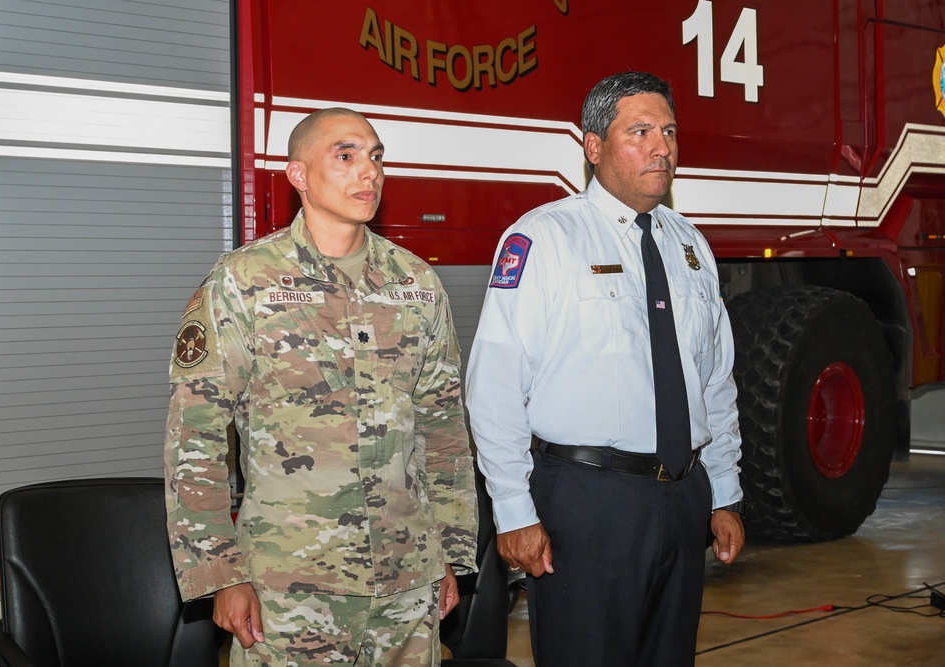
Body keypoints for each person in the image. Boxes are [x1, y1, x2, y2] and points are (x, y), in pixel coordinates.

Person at [164, 107, 477, 667]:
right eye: (346, 155)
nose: (370, 172)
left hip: (408, 585)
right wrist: (220, 574)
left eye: (377, 156)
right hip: (289, 591)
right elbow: (197, 438)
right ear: (298, 175)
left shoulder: (416, 283)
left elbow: (444, 428)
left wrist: (449, 551)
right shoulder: (244, 281)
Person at [465, 71, 745, 666]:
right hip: (588, 503)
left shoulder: (689, 244)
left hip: (682, 497)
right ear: (594, 147)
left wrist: (724, 493)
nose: (662, 147)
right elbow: (493, 386)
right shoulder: (545, 238)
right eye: (639, 131)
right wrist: (514, 509)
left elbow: (715, 381)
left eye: (668, 131)